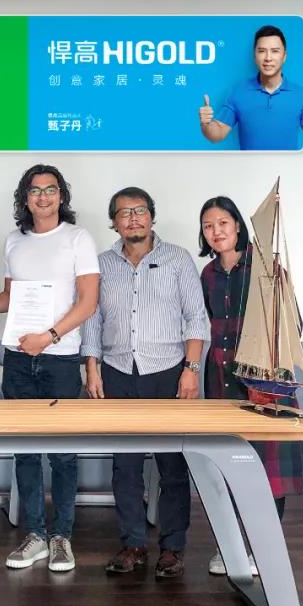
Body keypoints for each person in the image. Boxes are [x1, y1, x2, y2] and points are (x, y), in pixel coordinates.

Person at [80, 187, 209, 578]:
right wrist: (91, 367)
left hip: (169, 372)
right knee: (125, 466)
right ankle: (133, 544)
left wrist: (191, 369)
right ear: (114, 222)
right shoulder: (101, 264)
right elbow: (92, 319)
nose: (133, 218)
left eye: (139, 211)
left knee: (173, 466)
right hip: (118, 372)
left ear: (152, 216)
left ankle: (172, 548)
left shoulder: (178, 259)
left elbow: (196, 317)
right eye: (124, 213)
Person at [0, 164, 100, 573]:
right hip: (17, 359)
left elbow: (88, 302)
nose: (44, 196)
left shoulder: (78, 238)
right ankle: (35, 535)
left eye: (51, 189)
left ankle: (61, 537)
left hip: (60, 359)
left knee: (63, 454)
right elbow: (9, 298)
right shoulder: (14, 241)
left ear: (61, 196)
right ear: (26, 198)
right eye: (35, 190)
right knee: (26, 452)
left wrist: (48, 337)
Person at [198, 195, 303, 575]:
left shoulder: (266, 268)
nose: (216, 231)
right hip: (221, 379)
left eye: (223, 223)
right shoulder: (208, 274)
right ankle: (231, 547)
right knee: (227, 464)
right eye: (208, 226)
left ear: (238, 226)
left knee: (267, 471)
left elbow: (294, 324)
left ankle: (264, 548)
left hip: (264, 381)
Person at [198, 25, 303, 151]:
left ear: (284, 56)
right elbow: (217, 135)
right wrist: (205, 124)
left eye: (275, 51)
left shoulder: (302, 95)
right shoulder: (238, 92)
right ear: (254, 55)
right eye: (262, 51)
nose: (268, 58)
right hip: (248, 164)